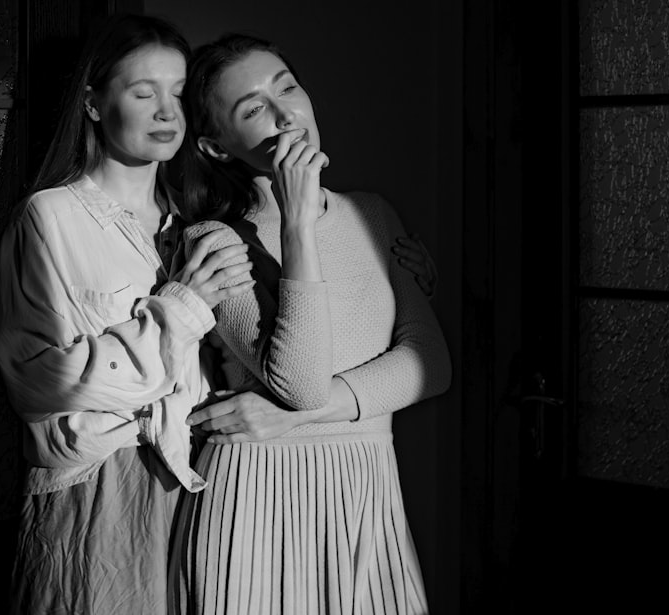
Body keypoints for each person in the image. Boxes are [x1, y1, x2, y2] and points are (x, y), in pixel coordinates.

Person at [171, 33, 452, 614]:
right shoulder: (217, 242)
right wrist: (297, 225)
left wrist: (290, 416)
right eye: (253, 110)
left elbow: (430, 364)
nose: (284, 115)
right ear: (219, 148)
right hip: (257, 499)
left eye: (288, 88)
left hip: (365, 494)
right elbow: (299, 380)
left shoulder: (373, 213)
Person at [0, 14, 259, 614]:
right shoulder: (51, 218)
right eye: (144, 93)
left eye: (178, 92)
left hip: (206, 479)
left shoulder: (199, 220)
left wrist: (403, 269)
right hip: (99, 497)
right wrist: (181, 310)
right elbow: (39, 380)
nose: (168, 111)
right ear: (92, 103)